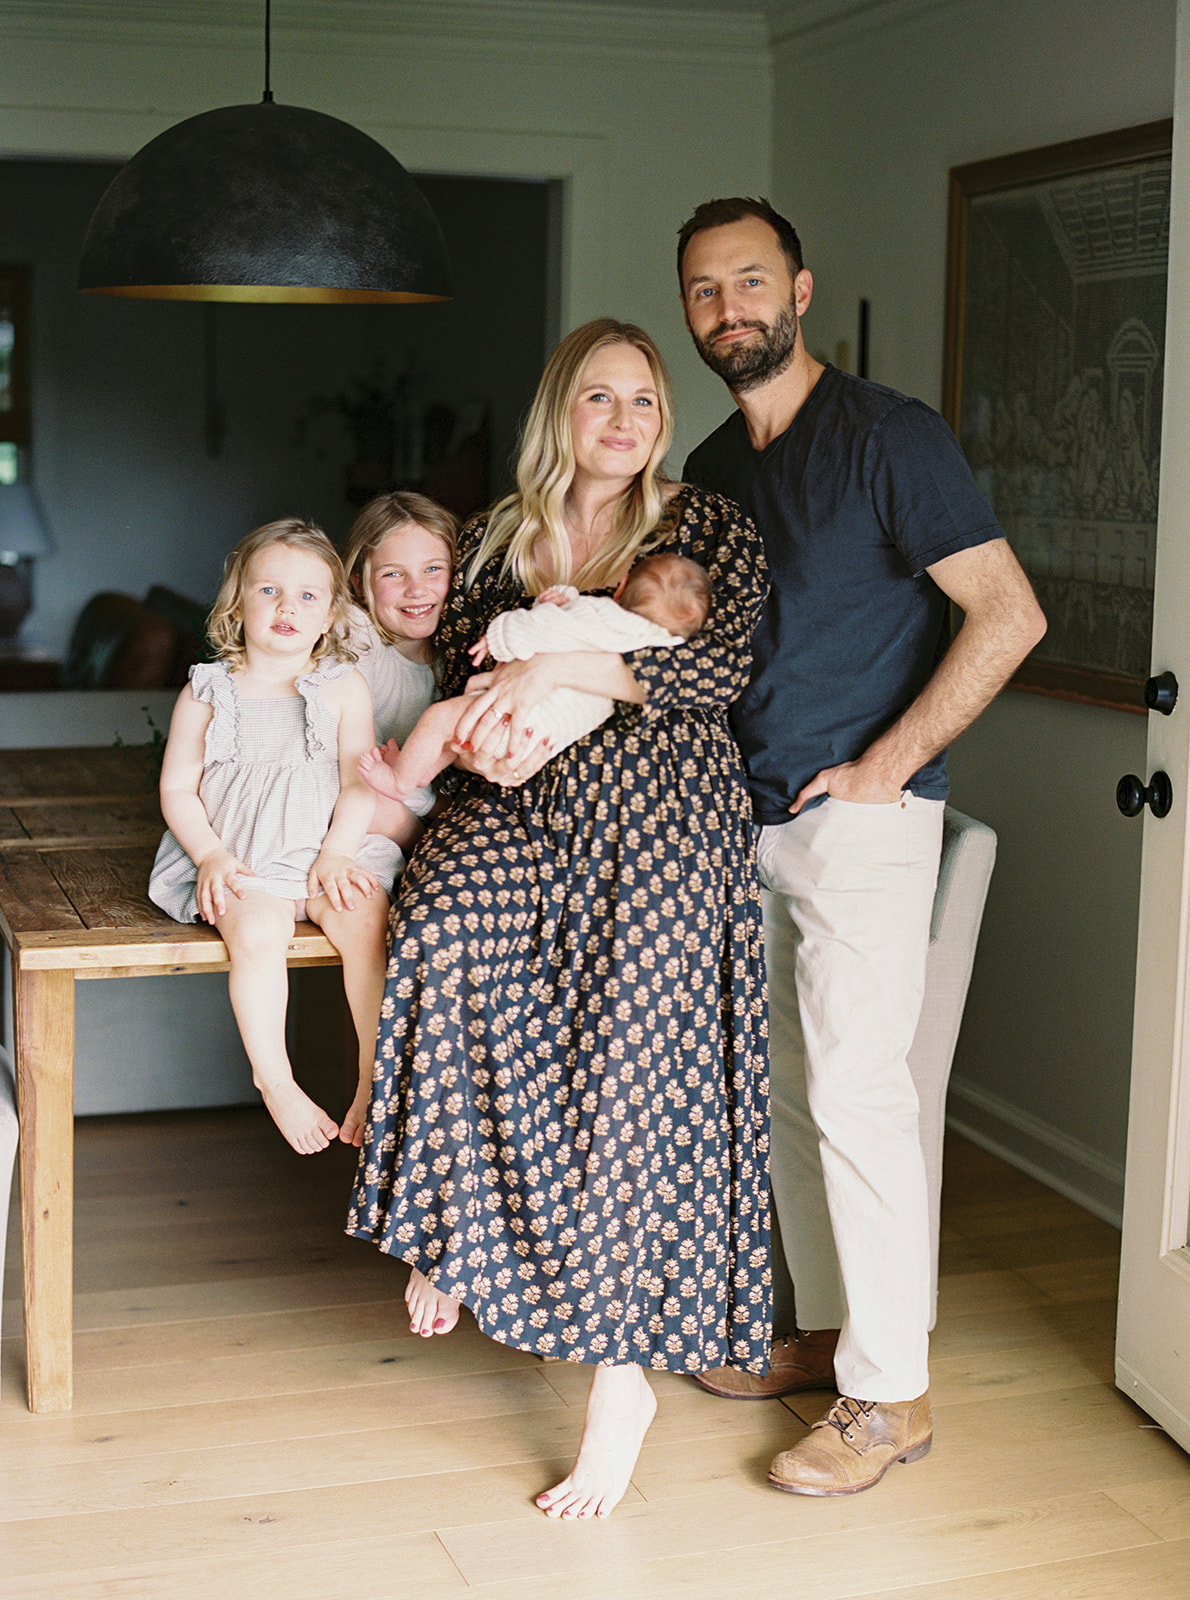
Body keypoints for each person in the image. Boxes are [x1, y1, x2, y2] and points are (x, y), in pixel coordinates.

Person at [346, 317, 771, 1521]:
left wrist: (563, 671)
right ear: (560, 412)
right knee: (434, 930)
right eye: (600, 398)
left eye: (643, 399)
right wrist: (489, 700)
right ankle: (453, 1224)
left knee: (619, 1075)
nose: (625, 420)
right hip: (513, 796)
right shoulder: (493, 534)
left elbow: (718, 667)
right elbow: (437, 666)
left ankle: (617, 1381)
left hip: (660, 823)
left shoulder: (706, 524)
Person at [675, 197, 1046, 1496]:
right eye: (704, 290)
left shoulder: (891, 437)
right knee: (786, 1092)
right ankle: (839, 1342)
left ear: (800, 288)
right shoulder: (713, 471)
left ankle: (893, 1399)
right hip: (749, 822)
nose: (730, 308)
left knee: (859, 1094)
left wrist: (885, 767)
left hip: (863, 826)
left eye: (750, 281)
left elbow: (1005, 614)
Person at [149, 519, 399, 1155]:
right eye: (268, 591)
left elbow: (357, 783)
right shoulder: (207, 690)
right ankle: (276, 1078)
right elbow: (177, 788)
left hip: (324, 853)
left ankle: (373, 1075)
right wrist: (209, 855)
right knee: (256, 933)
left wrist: (339, 853)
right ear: (237, 603)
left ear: (331, 615)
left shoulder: (342, 686)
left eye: (308, 596)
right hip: (242, 860)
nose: (288, 607)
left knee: (367, 923)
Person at [356, 551, 711, 804]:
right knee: (452, 734)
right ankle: (420, 772)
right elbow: (578, 625)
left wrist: (498, 637)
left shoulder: (604, 614)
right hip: (543, 738)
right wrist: (567, 598)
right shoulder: (663, 643)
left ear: (621, 587)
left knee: (439, 718)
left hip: (518, 719)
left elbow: (545, 628)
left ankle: (400, 781)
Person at [341, 489, 460, 844]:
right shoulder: (355, 636)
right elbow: (358, 760)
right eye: (394, 575)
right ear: (360, 585)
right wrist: (435, 807)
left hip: (410, 806)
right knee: (375, 805)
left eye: (433, 569)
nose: (417, 589)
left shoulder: (458, 653)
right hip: (356, 795)